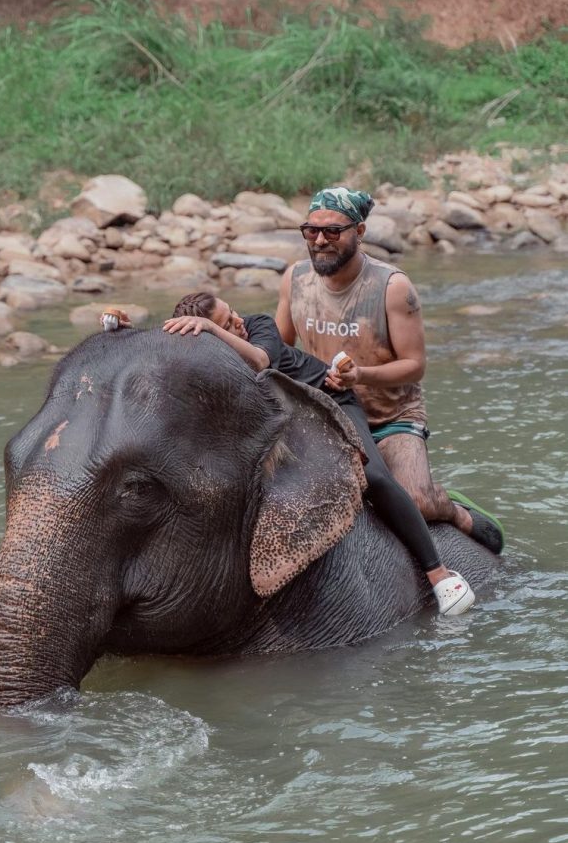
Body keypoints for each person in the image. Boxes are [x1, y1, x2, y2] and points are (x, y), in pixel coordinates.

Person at [163, 292, 475, 616]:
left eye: (232, 313)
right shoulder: (208, 360)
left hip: (331, 402)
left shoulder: (259, 327)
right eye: (228, 323)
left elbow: (259, 362)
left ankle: (438, 573)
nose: (238, 321)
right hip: (288, 421)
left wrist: (214, 329)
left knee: (372, 475)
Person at [275, 186, 504, 555]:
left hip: (391, 417)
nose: (320, 240)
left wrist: (360, 376)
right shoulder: (295, 278)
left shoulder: (392, 287)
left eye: (333, 231)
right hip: (327, 411)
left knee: (414, 501)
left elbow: (415, 367)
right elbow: (281, 349)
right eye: (311, 231)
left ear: (359, 232)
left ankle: (450, 506)